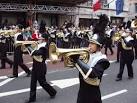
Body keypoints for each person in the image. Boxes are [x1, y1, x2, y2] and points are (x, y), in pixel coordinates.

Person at [70, 14, 110, 103]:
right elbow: (79, 67)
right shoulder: (87, 55)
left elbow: (93, 73)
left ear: (99, 46)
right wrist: (73, 59)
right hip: (81, 92)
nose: (89, 45)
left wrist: (77, 60)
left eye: (93, 43)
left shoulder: (102, 60)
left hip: (93, 96)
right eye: (90, 42)